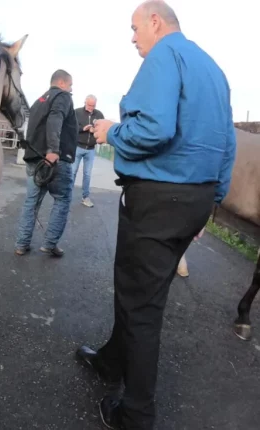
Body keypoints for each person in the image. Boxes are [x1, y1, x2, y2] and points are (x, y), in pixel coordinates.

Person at [80, 1, 236, 429]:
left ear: (155, 22)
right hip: (195, 200)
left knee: (142, 306)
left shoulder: (165, 54)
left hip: (157, 200)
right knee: (143, 293)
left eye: (134, 28)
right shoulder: (214, 70)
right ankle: (112, 362)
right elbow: (228, 145)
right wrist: (212, 202)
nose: (132, 38)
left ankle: (136, 414)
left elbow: (154, 129)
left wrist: (112, 131)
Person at [14, 70, 78, 258]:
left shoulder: (39, 101)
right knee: (62, 199)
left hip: (34, 159)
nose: (71, 88)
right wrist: (53, 150)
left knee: (31, 201)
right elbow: (55, 118)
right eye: (71, 84)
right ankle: (50, 244)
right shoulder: (62, 96)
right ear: (62, 82)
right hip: (54, 159)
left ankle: (21, 243)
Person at [72, 95, 105, 207]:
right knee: (72, 172)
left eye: (93, 105)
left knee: (87, 174)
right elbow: (71, 127)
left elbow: (102, 130)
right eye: (89, 105)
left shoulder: (99, 114)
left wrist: (94, 130)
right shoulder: (77, 112)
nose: (91, 107)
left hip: (90, 149)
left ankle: (85, 197)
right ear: (85, 102)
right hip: (78, 147)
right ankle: (66, 196)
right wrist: (83, 129)